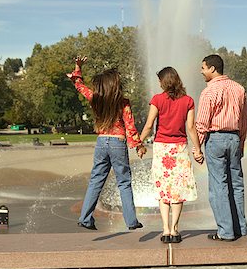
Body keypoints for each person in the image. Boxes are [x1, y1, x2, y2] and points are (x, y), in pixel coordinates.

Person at [67, 56, 146, 231]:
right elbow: (130, 126)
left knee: (96, 180)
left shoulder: (95, 98)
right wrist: (138, 145)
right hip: (118, 142)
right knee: (124, 182)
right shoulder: (123, 102)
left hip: (101, 141)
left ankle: (85, 217)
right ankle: (131, 221)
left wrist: (78, 67)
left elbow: (79, 85)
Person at [140, 66, 204, 243]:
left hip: (161, 148)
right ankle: (175, 229)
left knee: (164, 190)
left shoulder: (157, 100)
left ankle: (165, 230)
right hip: (180, 148)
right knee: (178, 190)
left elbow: (149, 125)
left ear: (163, 81)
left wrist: (138, 142)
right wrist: (198, 149)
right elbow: (191, 127)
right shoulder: (188, 101)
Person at [195, 54, 247, 241]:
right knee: (237, 184)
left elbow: (201, 123)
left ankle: (225, 231)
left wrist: (197, 148)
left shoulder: (209, 92)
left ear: (212, 68)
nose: (201, 72)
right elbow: (243, 121)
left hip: (216, 139)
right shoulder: (239, 89)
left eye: (203, 68)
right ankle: (240, 227)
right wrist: (240, 143)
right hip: (234, 138)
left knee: (219, 186)